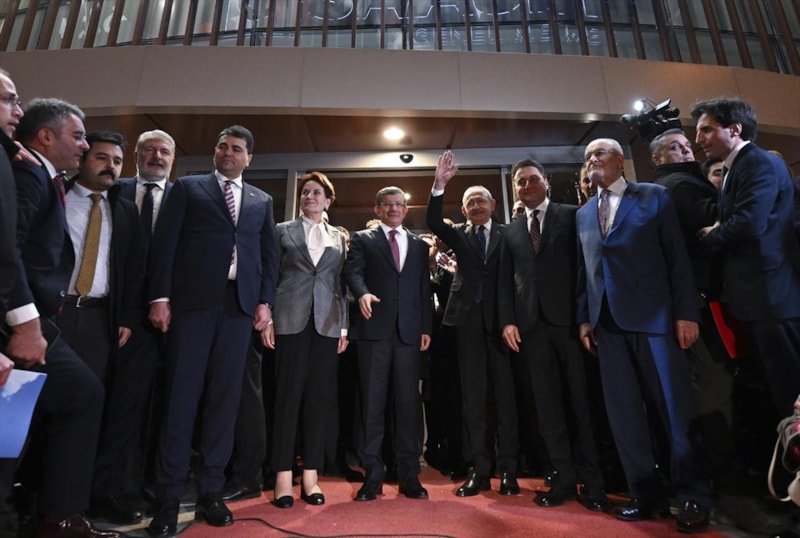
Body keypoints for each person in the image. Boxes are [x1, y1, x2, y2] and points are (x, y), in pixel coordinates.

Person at [145, 125, 278, 537]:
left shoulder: (262, 200)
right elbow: (165, 244)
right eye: (222, 146)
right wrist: (160, 296)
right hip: (192, 306)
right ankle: (169, 496)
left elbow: (268, 256)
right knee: (181, 398)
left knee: (225, 402)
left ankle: (211, 492)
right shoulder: (188, 188)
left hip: (239, 310)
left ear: (249, 158)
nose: (228, 153)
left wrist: (265, 302)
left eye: (236, 148)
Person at [576, 137, 713, 533]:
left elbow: (676, 258)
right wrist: (584, 319)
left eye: (600, 153)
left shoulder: (654, 196)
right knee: (625, 416)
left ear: (620, 160)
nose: (592, 159)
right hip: (606, 326)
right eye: (587, 156)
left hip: (655, 321)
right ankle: (645, 494)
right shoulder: (584, 214)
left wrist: (686, 313)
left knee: (674, 410)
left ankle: (692, 495)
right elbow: (586, 271)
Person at [7, 96, 125, 538]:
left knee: (28, 412)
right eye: (78, 137)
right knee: (67, 400)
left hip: (42, 319)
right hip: (22, 321)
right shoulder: (27, 174)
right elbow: (8, 251)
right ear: (45, 137)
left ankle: (54, 516)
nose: (84, 145)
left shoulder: (39, 174)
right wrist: (24, 323)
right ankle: (57, 519)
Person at [498, 158, 609, 511]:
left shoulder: (572, 215)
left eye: (533, 179)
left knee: (581, 405)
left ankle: (594, 482)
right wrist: (508, 321)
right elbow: (505, 281)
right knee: (547, 409)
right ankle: (563, 478)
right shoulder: (511, 230)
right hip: (530, 329)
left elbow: (588, 268)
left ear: (546, 181)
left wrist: (586, 317)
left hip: (571, 325)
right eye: (520, 182)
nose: (527, 186)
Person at [693, 97, 800, 417]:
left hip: (772, 295)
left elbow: (750, 222)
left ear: (735, 129)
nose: (698, 139)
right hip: (761, 297)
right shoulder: (736, 166)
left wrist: (712, 235)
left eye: (706, 130)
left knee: (790, 386)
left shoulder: (757, 162)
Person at [426, 150, 520, 498]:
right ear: (463, 211)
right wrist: (439, 185)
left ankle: (508, 469)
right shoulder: (459, 235)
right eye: (470, 202)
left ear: (493, 204)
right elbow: (434, 222)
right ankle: (479, 469)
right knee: (473, 399)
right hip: (466, 325)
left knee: (506, 399)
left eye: (482, 200)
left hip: (503, 325)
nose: (477, 206)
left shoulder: (510, 234)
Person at [96, 129, 176, 515]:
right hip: (114, 315)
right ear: (137, 156)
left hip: (169, 320)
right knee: (113, 404)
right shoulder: (115, 191)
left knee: (153, 408)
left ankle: (140, 484)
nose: (157, 156)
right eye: (149, 150)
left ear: (173, 159)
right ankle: (107, 489)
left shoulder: (184, 197)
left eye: (164, 152)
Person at [262, 171, 349, 508]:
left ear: (328, 201)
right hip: (289, 320)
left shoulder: (339, 236)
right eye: (305, 192)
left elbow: (339, 283)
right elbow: (270, 275)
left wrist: (344, 327)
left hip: (327, 324)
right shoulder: (282, 230)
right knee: (287, 398)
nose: (309, 196)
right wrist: (267, 316)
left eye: (316, 192)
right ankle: (283, 476)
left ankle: (311, 477)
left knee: (318, 400)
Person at [344, 186, 433, 502]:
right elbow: (353, 273)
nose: (393, 208)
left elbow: (423, 288)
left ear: (405, 210)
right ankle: (373, 475)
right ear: (377, 209)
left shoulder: (419, 246)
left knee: (408, 405)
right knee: (372, 404)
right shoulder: (362, 239)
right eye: (387, 204)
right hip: (373, 331)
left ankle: (409, 474)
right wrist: (363, 293)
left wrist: (426, 327)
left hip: (409, 334)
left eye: (398, 204)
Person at [59, 131, 141, 382]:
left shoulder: (126, 210)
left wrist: (126, 318)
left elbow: (132, 270)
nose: (110, 166)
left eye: (117, 161)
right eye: (102, 158)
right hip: (55, 311)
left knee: (89, 392)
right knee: (38, 390)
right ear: (81, 160)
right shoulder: (56, 197)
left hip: (99, 318)